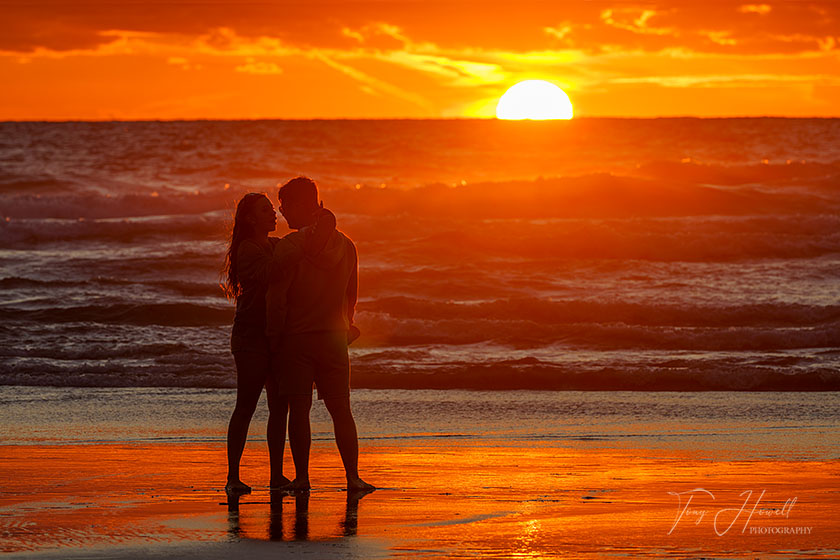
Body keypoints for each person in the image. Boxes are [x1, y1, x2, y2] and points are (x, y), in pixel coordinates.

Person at [222, 192, 334, 494]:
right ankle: (233, 476)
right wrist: (298, 246)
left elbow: (292, 255)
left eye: (273, 209)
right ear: (250, 218)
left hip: (275, 334)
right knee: (245, 406)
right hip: (250, 337)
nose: (273, 214)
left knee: (279, 408)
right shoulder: (247, 249)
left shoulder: (273, 244)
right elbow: (272, 272)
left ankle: (275, 475)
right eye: (265, 210)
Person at [266, 176, 373, 492]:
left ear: (301, 204)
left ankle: (302, 478)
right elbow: (351, 295)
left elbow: (278, 295)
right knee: (342, 410)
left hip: (297, 338)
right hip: (333, 338)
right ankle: (353, 477)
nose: (283, 213)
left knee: (299, 410)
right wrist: (347, 323)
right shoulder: (346, 245)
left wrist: (273, 335)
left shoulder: (291, 246)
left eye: (285, 206)